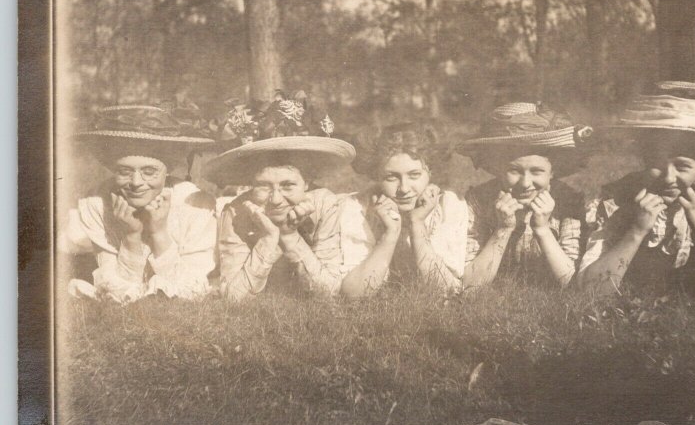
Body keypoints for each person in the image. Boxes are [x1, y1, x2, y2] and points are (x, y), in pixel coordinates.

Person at [577, 81, 695, 302]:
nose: (669, 178)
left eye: (683, 167)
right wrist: (636, 230)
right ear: (643, 158)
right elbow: (590, 292)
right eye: (656, 164)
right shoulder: (619, 198)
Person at [58, 105, 218, 303]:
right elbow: (113, 289)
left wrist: (159, 233)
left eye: (149, 172)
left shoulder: (194, 204)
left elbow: (192, 288)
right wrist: (131, 236)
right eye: (124, 172)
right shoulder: (97, 203)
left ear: (168, 170)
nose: (136, 183)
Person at [205, 94, 355, 301]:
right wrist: (268, 239)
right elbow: (234, 298)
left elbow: (328, 291)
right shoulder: (236, 211)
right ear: (249, 184)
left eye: (288, 186)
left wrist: (288, 235)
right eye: (263, 186)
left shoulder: (323, 203)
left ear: (307, 183)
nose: (275, 199)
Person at [456, 103, 593, 289]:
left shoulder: (568, 201)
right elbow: (469, 283)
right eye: (514, 170)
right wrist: (503, 229)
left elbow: (571, 283)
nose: (525, 183)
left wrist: (543, 229)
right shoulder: (479, 200)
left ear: (553, 171)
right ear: (498, 168)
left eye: (537, 171)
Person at [338, 123, 469, 297]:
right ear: (376, 175)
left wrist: (417, 224)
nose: (404, 188)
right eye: (391, 177)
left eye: (414, 175)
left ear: (431, 172)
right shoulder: (357, 207)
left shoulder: (449, 205)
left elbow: (448, 290)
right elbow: (354, 294)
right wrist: (390, 235)